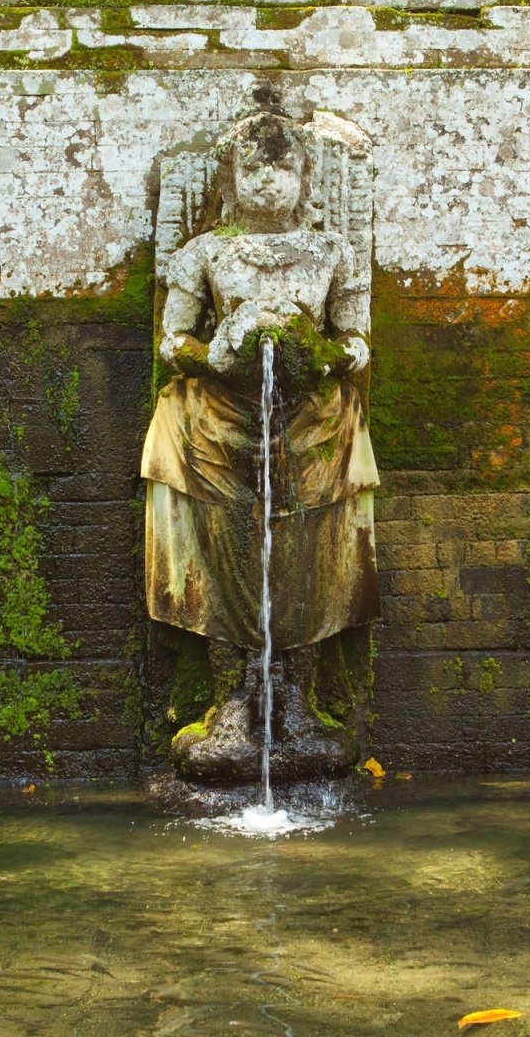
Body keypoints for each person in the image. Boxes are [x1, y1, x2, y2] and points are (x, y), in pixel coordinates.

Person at [141, 101, 379, 778]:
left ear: (307, 178)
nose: (268, 182)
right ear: (231, 177)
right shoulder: (207, 253)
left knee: (305, 558)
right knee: (226, 560)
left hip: (311, 427)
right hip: (218, 428)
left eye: (283, 168)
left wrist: (318, 352)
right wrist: (215, 354)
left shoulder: (332, 252)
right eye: (253, 169)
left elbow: (356, 342)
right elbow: (171, 341)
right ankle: (230, 702)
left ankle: (296, 700)